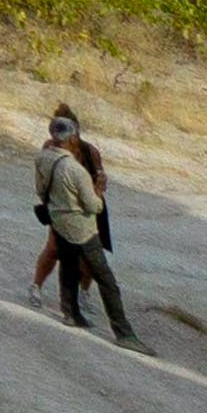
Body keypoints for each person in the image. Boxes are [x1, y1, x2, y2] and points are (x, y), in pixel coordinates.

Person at [32, 106, 134, 344]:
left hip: (59, 216)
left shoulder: (45, 154)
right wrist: (97, 191)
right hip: (81, 221)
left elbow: (40, 188)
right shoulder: (74, 167)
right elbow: (93, 205)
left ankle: (71, 311)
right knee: (105, 278)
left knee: (67, 263)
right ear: (75, 133)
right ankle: (124, 332)